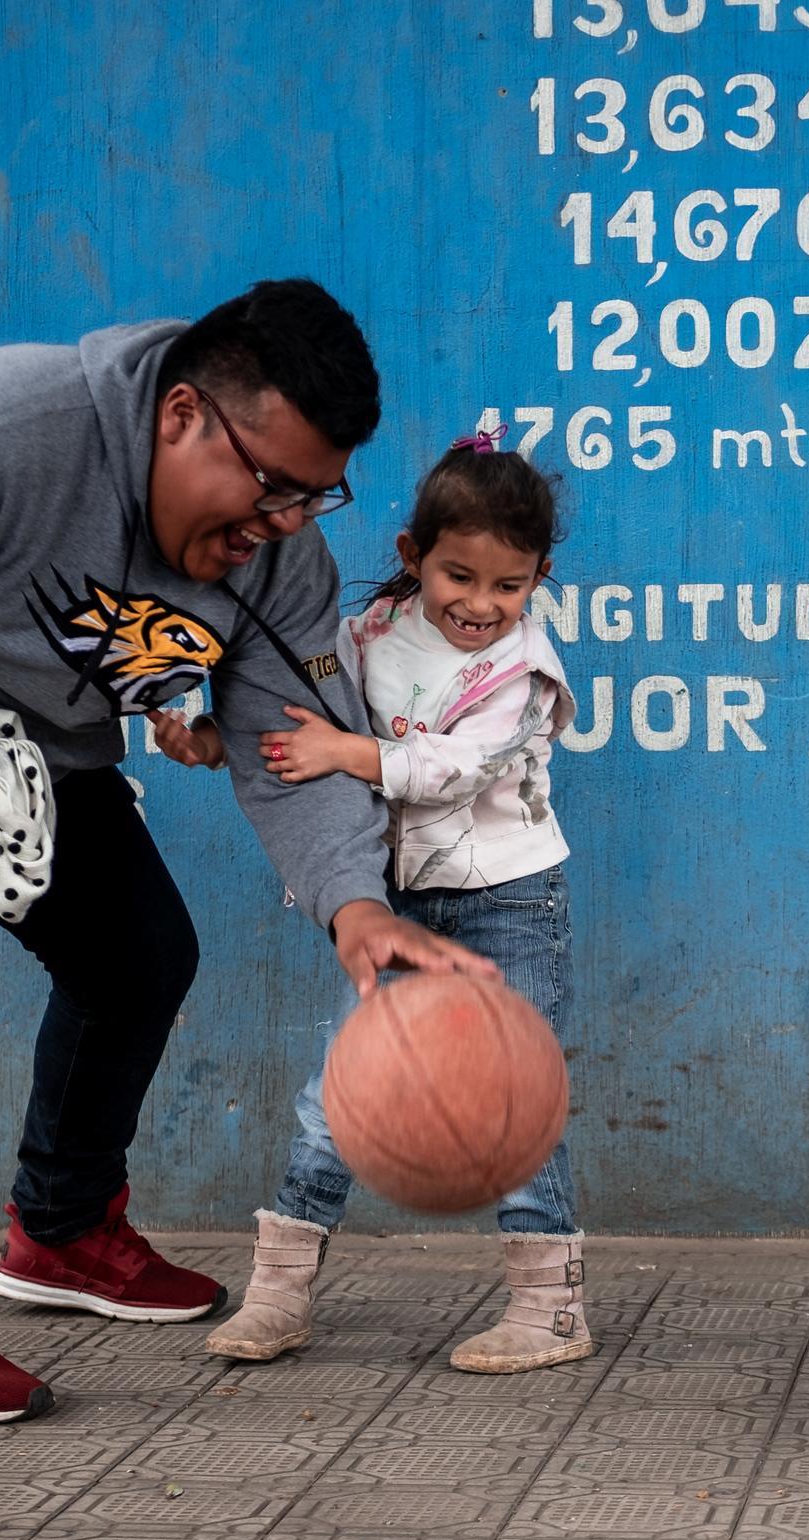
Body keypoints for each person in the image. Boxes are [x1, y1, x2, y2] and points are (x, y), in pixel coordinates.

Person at [0, 280, 492, 1424]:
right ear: (180, 417)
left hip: (17, 724)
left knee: (138, 953)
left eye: (315, 500)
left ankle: (60, 1229)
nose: (280, 527)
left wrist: (352, 907)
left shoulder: (275, 560)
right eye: (270, 488)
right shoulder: (2, 434)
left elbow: (289, 746)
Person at [191, 434, 592, 1374]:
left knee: (512, 1101)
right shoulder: (368, 632)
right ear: (412, 556)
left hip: (509, 906)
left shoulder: (527, 669)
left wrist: (347, 757)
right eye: (460, 576)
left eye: (511, 585)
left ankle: (552, 1309)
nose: (483, 606)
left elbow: (456, 769)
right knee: (339, 1096)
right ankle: (279, 1291)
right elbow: (295, 711)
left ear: (539, 580)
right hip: (398, 907)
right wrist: (217, 740)